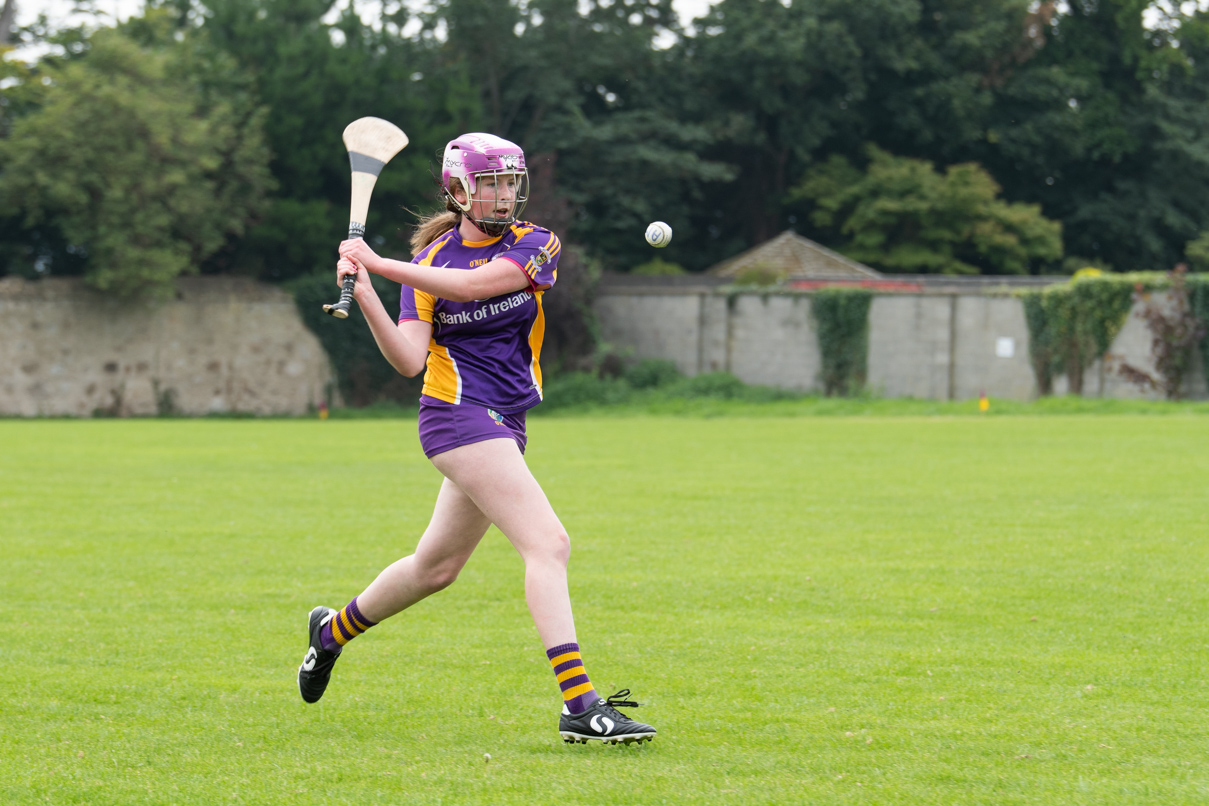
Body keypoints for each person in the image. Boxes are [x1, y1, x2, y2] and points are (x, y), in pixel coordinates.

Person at [297, 132, 656, 746]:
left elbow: (477, 287)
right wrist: (364, 291)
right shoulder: (429, 264)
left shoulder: (535, 245)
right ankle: (580, 705)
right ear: (459, 190)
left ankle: (330, 633)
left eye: (510, 182)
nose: (502, 195)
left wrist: (377, 262)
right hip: (455, 416)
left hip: (505, 420)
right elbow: (410, 359)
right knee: (549, 544)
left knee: (436, 569)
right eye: (489, 183)